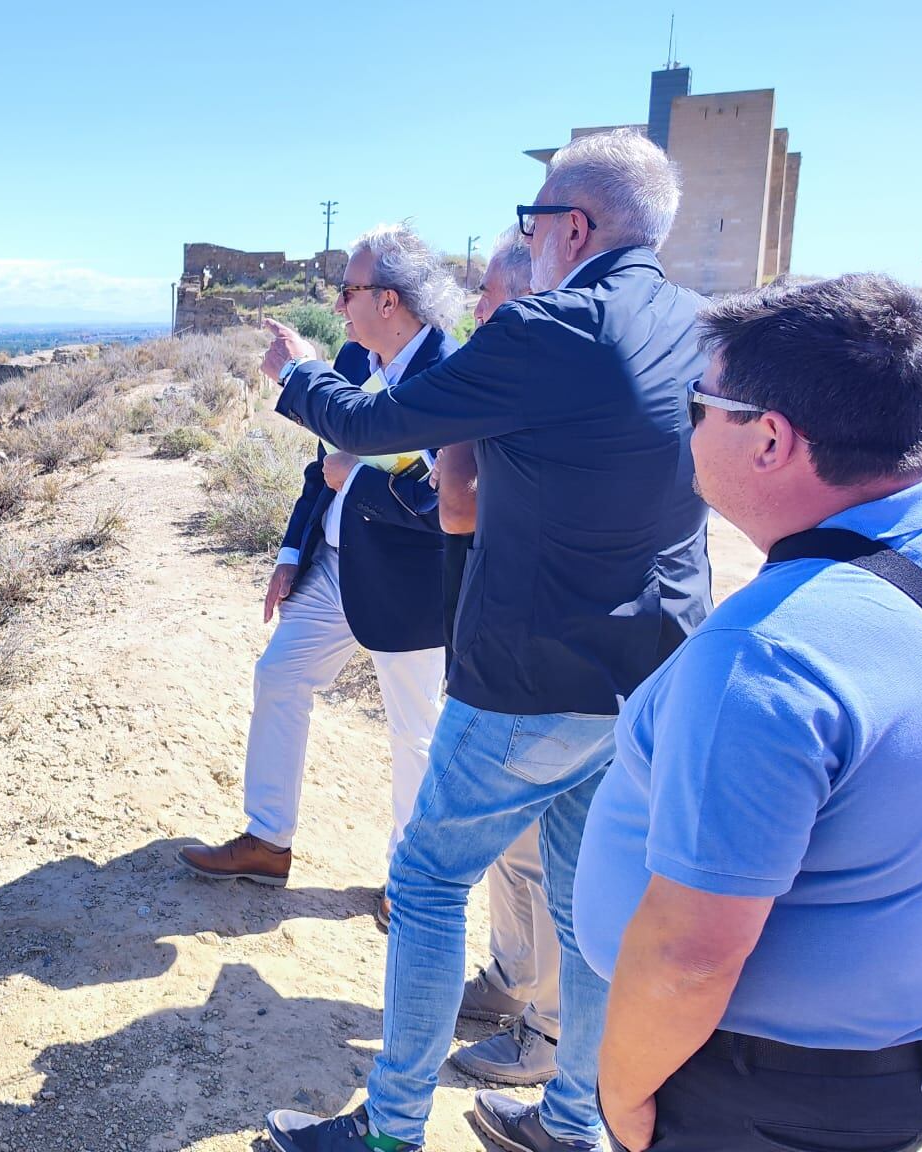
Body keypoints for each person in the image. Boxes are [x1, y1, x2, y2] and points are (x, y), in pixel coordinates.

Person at [257, 128, 712, 1152]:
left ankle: (389, 1129)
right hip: (649, 674)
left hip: (531, 668)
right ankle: (568, 1123)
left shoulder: (552, 326)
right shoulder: (697, 323)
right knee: (586, 901)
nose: (527, 238)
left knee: (425, 881)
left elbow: (384, 431)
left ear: (576, 226)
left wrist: (293, 376)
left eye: (533, 219)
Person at [577, 273, 922, 1151]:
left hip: (763, 1094)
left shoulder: (770, 649)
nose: (687, 422)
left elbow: (693, 952)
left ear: (770, 437)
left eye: (700, 402)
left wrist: (618, 1098)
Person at [179, 225, 462, 922]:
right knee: (279, 677)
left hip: (409, 581)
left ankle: (410, 883)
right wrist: (289, 553)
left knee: (414, 733)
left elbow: (440, 502)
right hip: (334, 566)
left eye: (349, 291)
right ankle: (268, 843)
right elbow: (323, 464)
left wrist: (353, 476)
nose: (338, 305)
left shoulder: (450, 376)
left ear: (389, 300)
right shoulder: (357, 358)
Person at [434, 228, 565, 1090]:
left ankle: (550, 1036)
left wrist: (454, 419)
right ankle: (515, 984)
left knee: (553, 852)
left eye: (485, 295)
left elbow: (458, 507)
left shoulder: (541, 382)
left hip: (555, 657)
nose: (474, 311)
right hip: (511, 642)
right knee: (519, 846)